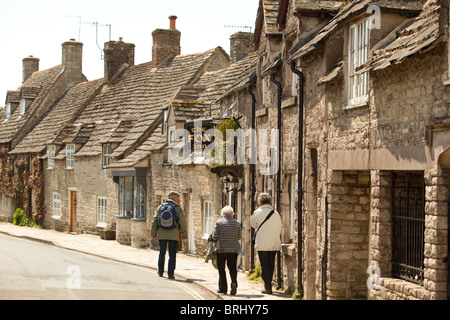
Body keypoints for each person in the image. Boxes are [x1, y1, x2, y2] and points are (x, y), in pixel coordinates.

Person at [250, 193, 282, 294]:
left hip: (263, 243)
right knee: (271, 263)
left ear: (260, 201)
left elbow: (252, 224)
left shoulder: (258, 212)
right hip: (274, 243)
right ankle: (269, 284)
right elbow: (280, 227)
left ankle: (267, 287)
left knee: (264, 265)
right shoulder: (276, 213)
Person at [151, 191, 187, 280]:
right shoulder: (178, 208)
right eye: (177, 198)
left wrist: (153, 233)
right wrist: (184, 235)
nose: (178, 200)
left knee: (162, 253)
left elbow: (155, 220)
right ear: (174, 198)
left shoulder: (160, 207)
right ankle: (170, 274)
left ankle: (160, 271)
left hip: (162, 234)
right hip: (174, 235)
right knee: (172, 255)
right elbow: (183, 223)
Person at [209, 205, 241, 295]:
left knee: (221, 269)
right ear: (232, 213)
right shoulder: (236, 223)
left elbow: (215, 236)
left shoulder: (219, 222)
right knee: (233, 268)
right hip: (233, 250)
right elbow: (239, 237)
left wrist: (211, 238)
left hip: (221, 250)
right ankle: (234, 282)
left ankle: (223, 288)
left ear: (222, 213)